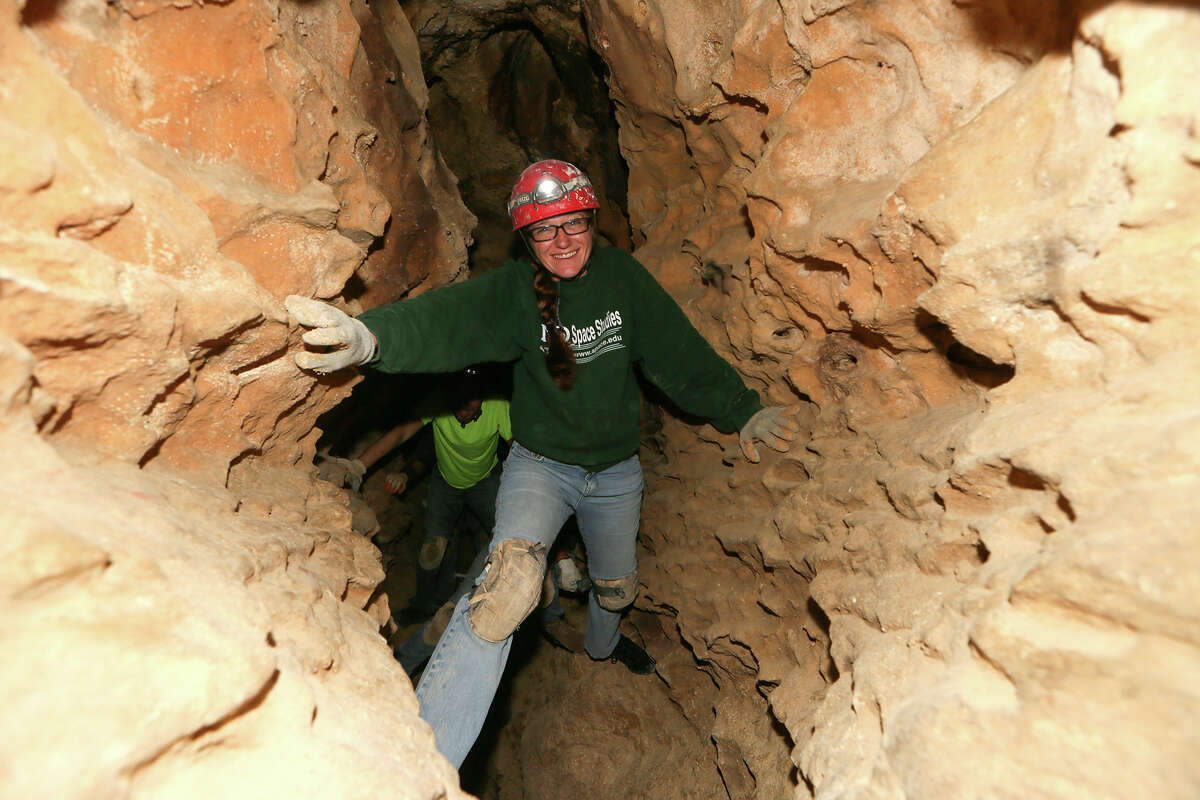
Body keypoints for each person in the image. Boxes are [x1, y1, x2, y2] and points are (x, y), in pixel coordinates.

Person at [285, 158, 798, 768]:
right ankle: (419, 765)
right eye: (544, 230)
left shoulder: (624, 282)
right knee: (508, 587)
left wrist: (742, 410)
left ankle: (600, 656)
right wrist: (371, 339)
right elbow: (450, 319)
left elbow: (677, 353)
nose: (561, 241)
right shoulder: (517, 294)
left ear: (589, 218)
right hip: (541, 468)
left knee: (617, 589)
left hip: (614, 473)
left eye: (572, 224)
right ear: (527, 239)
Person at [361, 368, 512, 620]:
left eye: (472, 399)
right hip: (446, 483)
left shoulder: (497, 405)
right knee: (432, 550)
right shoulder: (438, 403)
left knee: (503, 540)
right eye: (460, 398)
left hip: (484, 481)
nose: (464, 408)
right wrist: (358, 466)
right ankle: (423, 606)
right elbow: (402, 432)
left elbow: (517, 447)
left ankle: (495, 606)